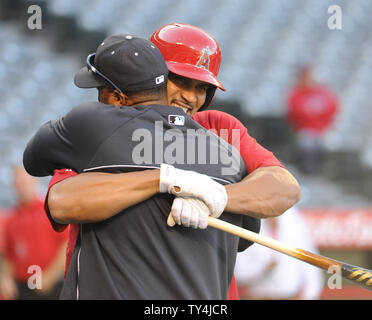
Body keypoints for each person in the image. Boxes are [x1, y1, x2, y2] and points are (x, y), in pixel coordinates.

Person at [39, 24, 301, 299]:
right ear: (151, 77)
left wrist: (215, 197)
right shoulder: (103, 125)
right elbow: (63, 204)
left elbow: (284, 188)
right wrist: (166, 180)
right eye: (180, 80)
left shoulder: (218, 128)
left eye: (202, 87)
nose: (191, 97)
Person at [0, 166, 68, 300]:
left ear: (35, 182)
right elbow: (8, 255)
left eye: (24, 181)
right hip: (22, 286)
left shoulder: (50, 211)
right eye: (18, 182)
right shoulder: (12, 218)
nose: (21, 186)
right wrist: (5, 277)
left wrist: (50, 276)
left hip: (49, 286)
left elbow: (67, 244)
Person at [234, 206, 324, 300]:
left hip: (290, 296)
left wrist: (309, 295)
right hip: (258, 296)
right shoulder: (249, 216)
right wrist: (264, 270)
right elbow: (239, 273)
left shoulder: (292, 217)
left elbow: (309, 258)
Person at [287, 65, 339, 174]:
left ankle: (323, 171)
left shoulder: (323, 92)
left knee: (327, 142)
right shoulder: (297, 93)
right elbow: (294, 113)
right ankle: (309, 172)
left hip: (323, 129)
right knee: (308, 142)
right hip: (305, 128)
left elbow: (333, 109)